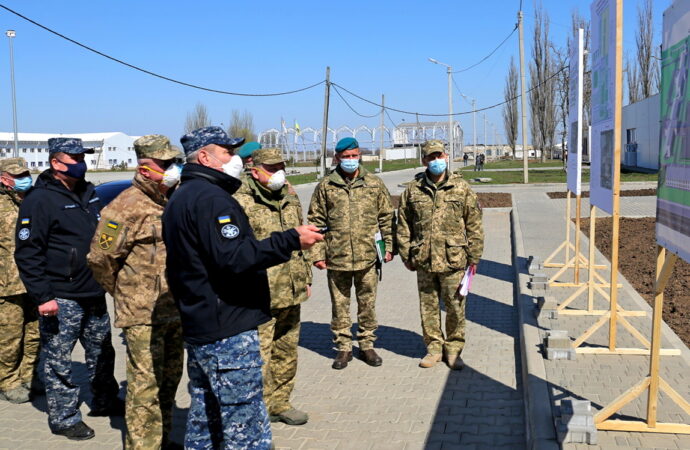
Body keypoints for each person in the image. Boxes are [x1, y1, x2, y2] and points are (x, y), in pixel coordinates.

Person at [162, 126, 323, 449]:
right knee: (244, 425)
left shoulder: (184, 194)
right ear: (205, 156)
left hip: (203, 322)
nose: (236, 159)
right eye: (228, 152)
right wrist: (291, 239)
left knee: (206, 419)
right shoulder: (211, 199)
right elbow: (234, 257)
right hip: (227, 328)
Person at [14, 138, 122, 441]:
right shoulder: (39, 199)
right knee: (60, 359)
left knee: (102, 352)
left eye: (82, 156)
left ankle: (105, 401)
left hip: (94, 291)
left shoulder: (89, 193)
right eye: (73, 157)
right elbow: (27, 252)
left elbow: (105, 235)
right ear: (55, 162)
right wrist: (43, 296)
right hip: (61, 296)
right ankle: (64, 417)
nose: (80, 161)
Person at [87, 135, 184, 450]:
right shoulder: (122, 208)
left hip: (176, 309)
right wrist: (124, 294)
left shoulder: (175, 199)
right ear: (144, 168)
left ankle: (162, 438)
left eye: (174, 162)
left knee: (169, 382)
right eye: (166, 164)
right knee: (144, 387)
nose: (173, 168)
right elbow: (100, 258)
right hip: (142, 315)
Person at [234, 148, 312, 426]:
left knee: (286, 353)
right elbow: (236, 251)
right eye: (272, 167)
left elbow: (301, 236)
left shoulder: (289, 195)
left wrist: (306, 276)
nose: (279, 172)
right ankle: (256, 414)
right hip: (259, 293)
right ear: (254, 170)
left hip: (291, 287)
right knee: (258, 358)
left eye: (281, 166)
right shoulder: (240, 200)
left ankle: (280, 403)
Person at [308, 137, 395, 370]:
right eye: (345, 157)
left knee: (367, 304)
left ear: (359, 155)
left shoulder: (374, 184)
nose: (350, 160)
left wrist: (388, 248)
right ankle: (344, 348)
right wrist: (317, 253)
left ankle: (367, 345)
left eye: (354, 155)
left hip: (368, 257)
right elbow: (316, 221)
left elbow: (386, 217)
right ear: (336, 158)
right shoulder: (326, 186)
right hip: (337, 257)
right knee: (340, 305)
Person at [396, 140, 484, 370]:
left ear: (446, 157)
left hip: (453, 259)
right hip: (423, 259)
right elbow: (403, 224)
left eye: (439, 156)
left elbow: (474, 223)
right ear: (424, 160)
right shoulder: (413, 190)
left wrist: (474, 257)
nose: (436, 161)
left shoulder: (461, 188)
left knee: (455, 307)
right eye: (431, 157)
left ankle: (454, 349)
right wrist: (406, 254)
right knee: (428, 307)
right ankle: (434, 348)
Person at [0, 157, 40, 404]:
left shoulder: (34, 201)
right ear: (4, 179)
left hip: (35, 282)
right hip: (7, 285)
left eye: (25, 174)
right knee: (9, 337)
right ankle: (8, 380)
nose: (24, 179)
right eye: (17, 176)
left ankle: (30, 376)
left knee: (35, 335)